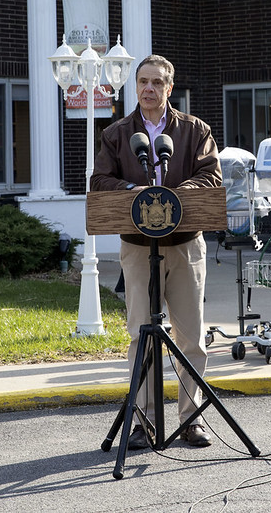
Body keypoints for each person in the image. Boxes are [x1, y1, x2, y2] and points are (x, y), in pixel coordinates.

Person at [91, 54, 222, 449]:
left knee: (191, 338)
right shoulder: (117, 133)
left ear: (169, 87)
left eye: (157, 83)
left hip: (185, 246)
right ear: (136, 87)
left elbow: (210, 175)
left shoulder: (195, 130)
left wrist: (175, 197)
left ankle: (190, 419)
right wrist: (133, 193)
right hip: (136, 248)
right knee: (140, 336)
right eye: (143, 82)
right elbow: (100, 179)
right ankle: (141, 421)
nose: (149, 89)